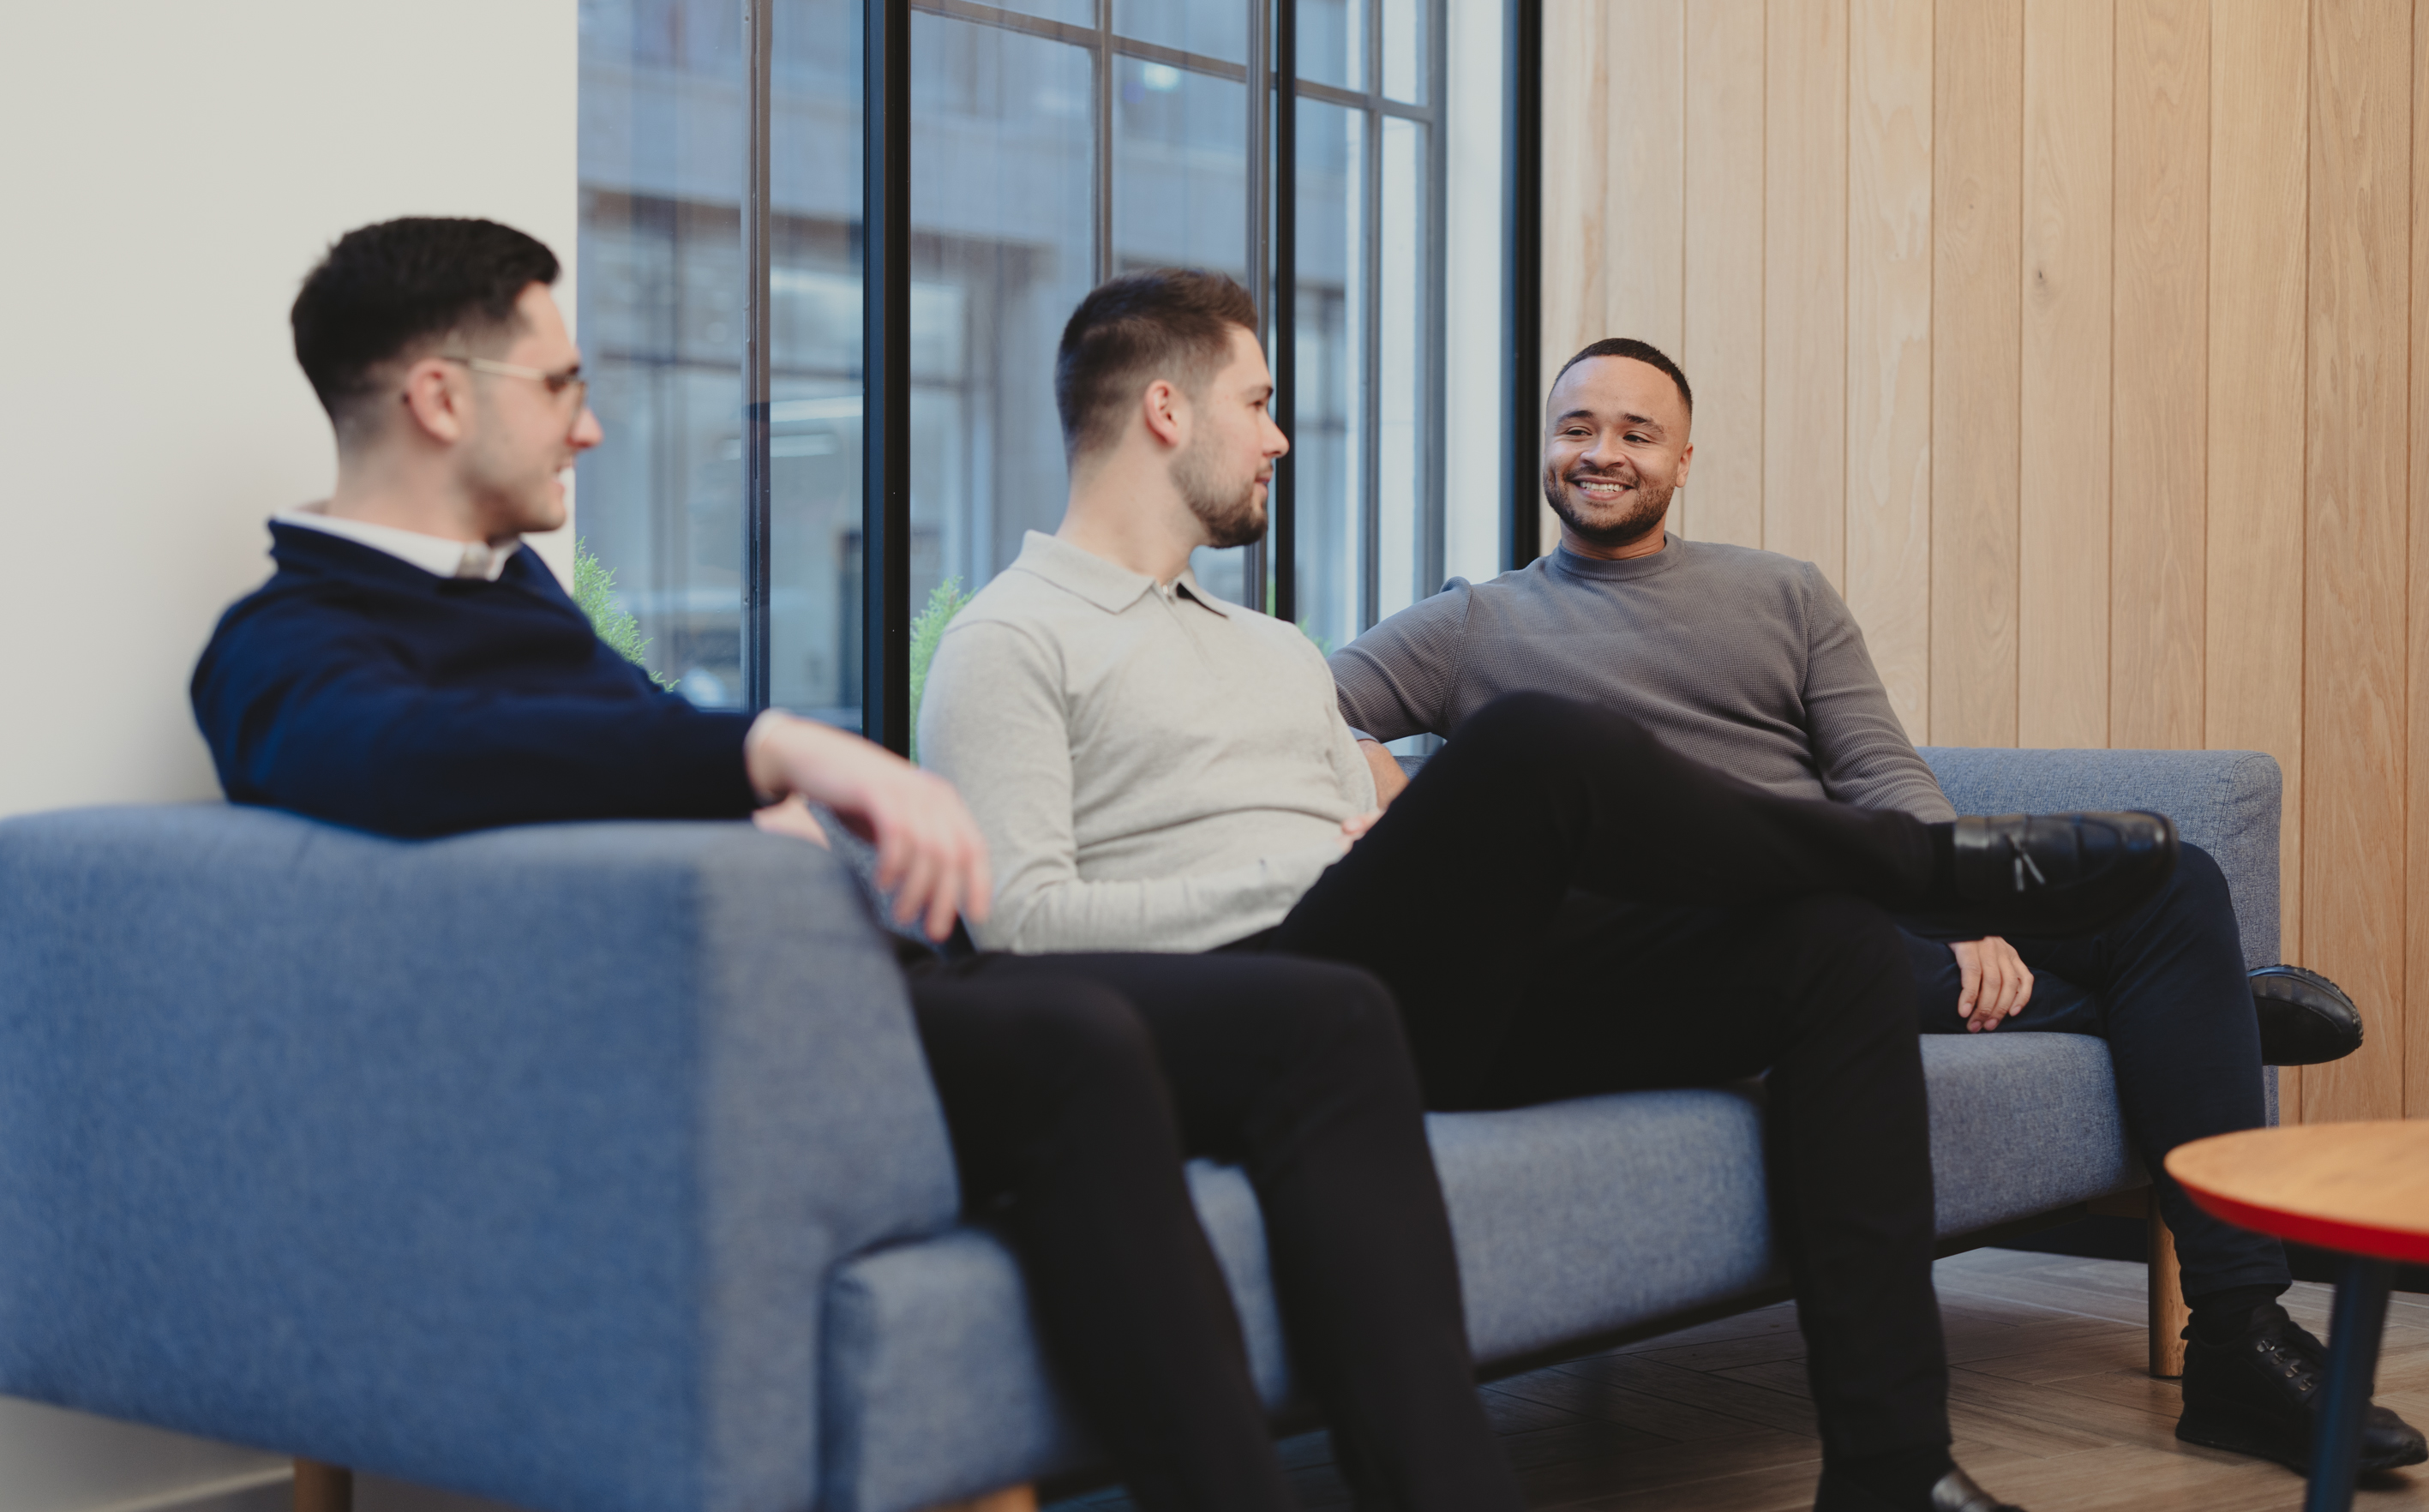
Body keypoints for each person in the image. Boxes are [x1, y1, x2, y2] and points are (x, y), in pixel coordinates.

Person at [189, 217, 1532, 1512]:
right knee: (1077, 1041)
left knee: (1330, 1019)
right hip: (709, 1037)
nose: (587, 424)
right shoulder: (286, 643)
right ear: (437, 397)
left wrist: (778, 816)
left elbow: (618, 742)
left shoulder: (508, 591)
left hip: (840, 972)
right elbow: (403, 757)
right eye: (559, 386)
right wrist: (773, 752)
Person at [919, 269, 2187, 1512]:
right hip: (1260, 1011)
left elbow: (1364, 811)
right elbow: (1022, 927)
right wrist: (1308, 865)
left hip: (1421, 1000)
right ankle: (1925, 865)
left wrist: (1390, 823)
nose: (1280, 436)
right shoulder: (1010, 639)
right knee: (1532, 742)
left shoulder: (1269, 649)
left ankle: (1888, 1464)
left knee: (1832, 949)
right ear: (1163, 412)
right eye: (1257, 403)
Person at [1326, 334, 2429, 1483]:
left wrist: (1959, 907)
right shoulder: (1473, 624)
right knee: (1846, 947)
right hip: (1702, 941)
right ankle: (2207, 1013)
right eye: (1576, 429)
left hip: (1864, 900)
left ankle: (2239, 1337)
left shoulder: (1776, 592)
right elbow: (1300, 702)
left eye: (1633, 433)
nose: (1600, 453)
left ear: (1682, 458)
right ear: (1546, 450)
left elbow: (1877, 768)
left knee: (2173, 885)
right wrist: (1373, 765)